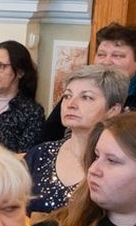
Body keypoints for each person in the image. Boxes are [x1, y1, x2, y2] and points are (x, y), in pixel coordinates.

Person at [42, 23, 136, 140]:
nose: (106, 62)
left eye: (117, 55)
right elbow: (46, 138)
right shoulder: (77, 93)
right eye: (101, 54)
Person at [26, 64, 128, 213]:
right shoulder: (40, 154)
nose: (71, 104)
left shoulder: (118, 163)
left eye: (86, 97)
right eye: (67, 96)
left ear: (113, 110)